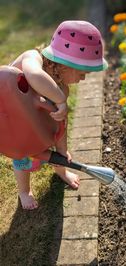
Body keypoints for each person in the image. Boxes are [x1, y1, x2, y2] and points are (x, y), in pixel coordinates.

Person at [9, 20, 108, 210]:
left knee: (43, 143)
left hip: (31, 121)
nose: (84, 78)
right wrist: (60, 100)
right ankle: (23, 191)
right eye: (82, 73)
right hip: (9, 118)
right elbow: (34, 77)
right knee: (22, 155)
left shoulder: (62, 88)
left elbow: (60, 123)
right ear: (64, 65)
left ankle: (61, 172)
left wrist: (62, 152)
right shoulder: (32, 58)